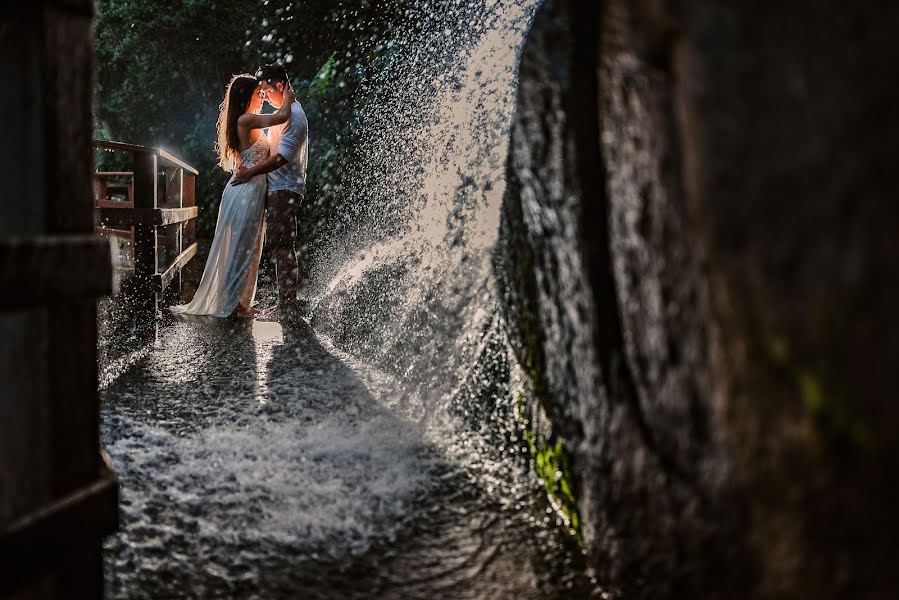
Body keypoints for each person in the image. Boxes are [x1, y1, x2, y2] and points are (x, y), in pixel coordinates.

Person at [172, 73, 295, 318]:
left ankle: (240, 302)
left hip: (249, 189)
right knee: (241, 248)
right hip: (245, 192)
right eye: (256, 94)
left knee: (247, 247)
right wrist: (289, 98)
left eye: (261, 94)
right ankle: (234, 305)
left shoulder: (248, 120)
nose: (261, 97)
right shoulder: (246, 119)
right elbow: (282, 116)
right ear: (244, 97)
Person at [232, 63, 309, 318]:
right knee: (278, 245)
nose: (263, 95)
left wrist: (249, 172)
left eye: (265, 89)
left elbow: (280, 159)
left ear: (279, 86)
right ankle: (284, 303)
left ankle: (288, 306)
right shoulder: (283, 113)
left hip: (285, 189)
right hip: (274, 188)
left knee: (283, 245)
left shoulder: (295, 116)